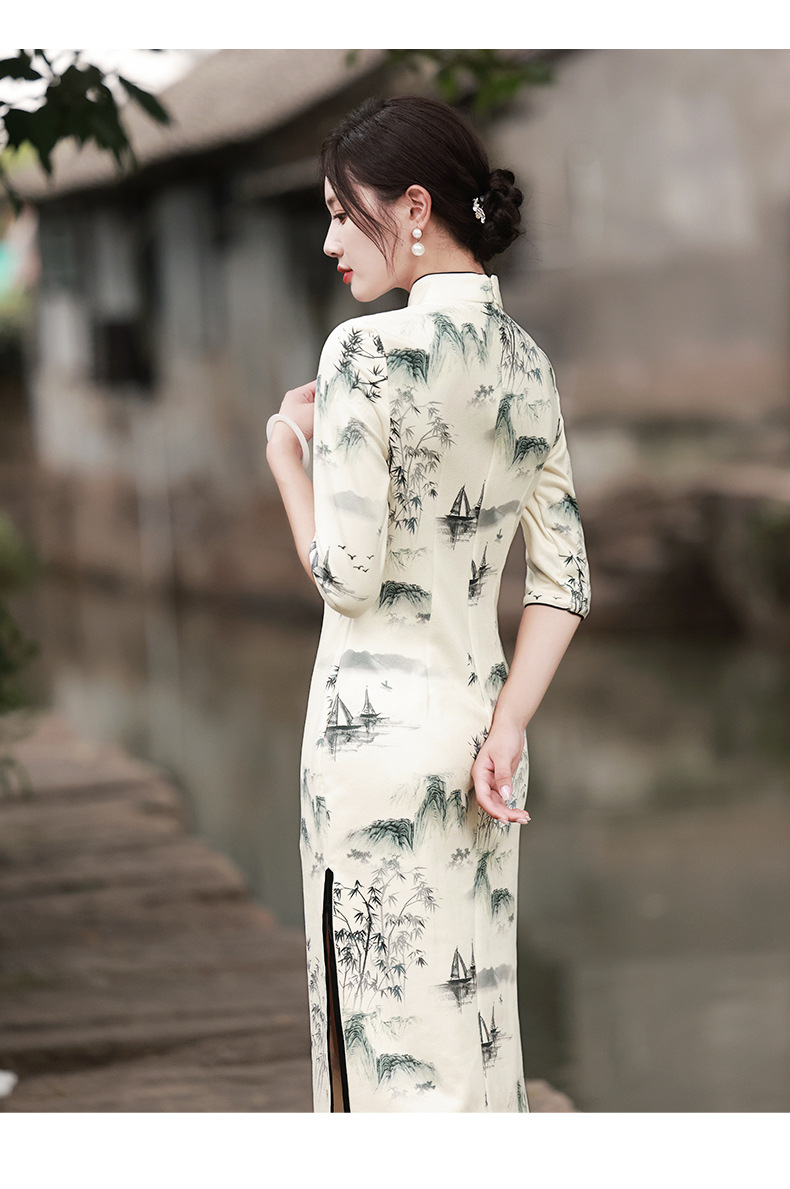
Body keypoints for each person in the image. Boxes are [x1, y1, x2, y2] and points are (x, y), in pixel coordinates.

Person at [266, 94, 591, 1113]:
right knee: (471, 1035)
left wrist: (288, 459)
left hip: (374, 749)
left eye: (340, 213)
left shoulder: (361, 355)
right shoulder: (528, 364)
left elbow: (346, 577)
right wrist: (508, 727)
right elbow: (564, 580)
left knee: (380, 1055)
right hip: (480, 740)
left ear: (412, 207)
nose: (328, 241)